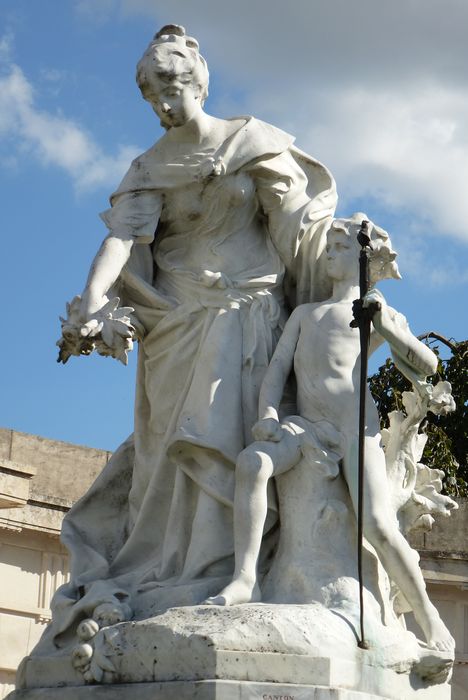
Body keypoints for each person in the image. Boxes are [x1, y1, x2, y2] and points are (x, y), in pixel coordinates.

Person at [47, 24, 338, 644]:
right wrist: (94, 302)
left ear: (197, 83)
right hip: (174, 323)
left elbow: (298, 231)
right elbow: (122, 238)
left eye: (171, 87)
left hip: (249, 312)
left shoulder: (253, 142)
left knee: (224, 437)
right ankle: (169, 569)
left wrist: (341, 269)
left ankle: (227, 571)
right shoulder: (149, 166)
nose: (161, 103)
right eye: (151, 94)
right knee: (165, 457)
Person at [207, 215, 454, 653]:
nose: (329, 256)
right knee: (252, 463)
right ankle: (245, 578)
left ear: (366, 258)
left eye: (340, 249)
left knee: (377, 524)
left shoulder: (378, 313)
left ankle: (429, 618)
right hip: (305, 425)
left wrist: (386, 327)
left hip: (356, 426)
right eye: (330, 248)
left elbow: (427, 365)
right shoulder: (307, 314)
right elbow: (277, 370)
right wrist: (267, 411)